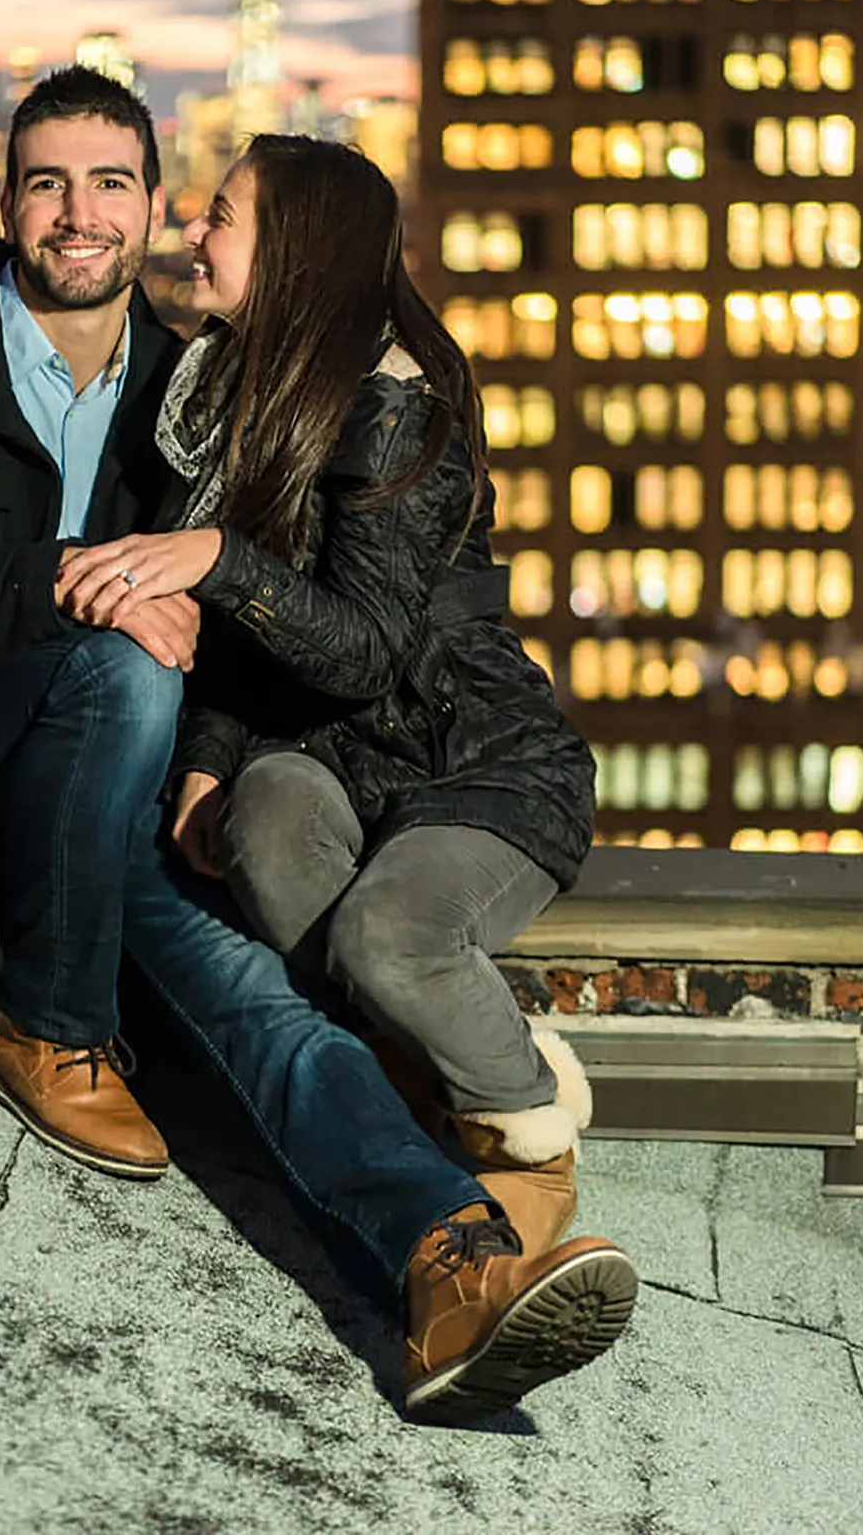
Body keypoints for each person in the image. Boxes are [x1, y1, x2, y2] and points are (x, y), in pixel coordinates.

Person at [0, 68, 636, 1420]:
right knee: (120, 663)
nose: (79, 212)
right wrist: (66, 580)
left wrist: (211, 761)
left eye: (111, 181)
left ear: (154, 206)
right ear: (4, 199)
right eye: (46, 179)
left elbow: (275, 621)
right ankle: (45, 1022)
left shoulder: (204, 391)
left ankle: (448, 1264)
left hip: (123, 807)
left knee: (256, 995)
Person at [57, 134, 604, 1266]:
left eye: (222, 218)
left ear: (298, 253)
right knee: (254, 827)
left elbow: (359, 652)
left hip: (469, 763)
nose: (194, 236)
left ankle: (524, 1133)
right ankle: (410, 1108)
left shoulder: (395, 409)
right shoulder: (233, 391)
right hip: (322, 753)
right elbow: (241, 651)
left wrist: (216, 555)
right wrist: (208, 751)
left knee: (387, 938)